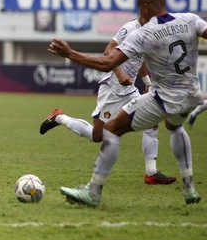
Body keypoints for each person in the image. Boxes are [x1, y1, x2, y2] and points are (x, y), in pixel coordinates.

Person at [47, 0, 207, 207]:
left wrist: (71, 54)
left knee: (112, 130)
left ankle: (93, 192)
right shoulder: (189, 19)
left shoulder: (145, 33)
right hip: (190, 96)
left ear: (146, 7)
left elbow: (107, 62)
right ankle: (189, 188)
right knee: (173, 127)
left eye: (140, 8)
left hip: (164, 96)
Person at [40, 14, 176, 185]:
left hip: (130, 90)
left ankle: (151, 172)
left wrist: (147, 82)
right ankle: (59, 117)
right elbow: (108, 51)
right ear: (144, 10)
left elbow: (139, 58)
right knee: (96, 136)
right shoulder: (130, 28)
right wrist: (120, 74)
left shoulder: (148, 33)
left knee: (151, 120)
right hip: (112, 89)